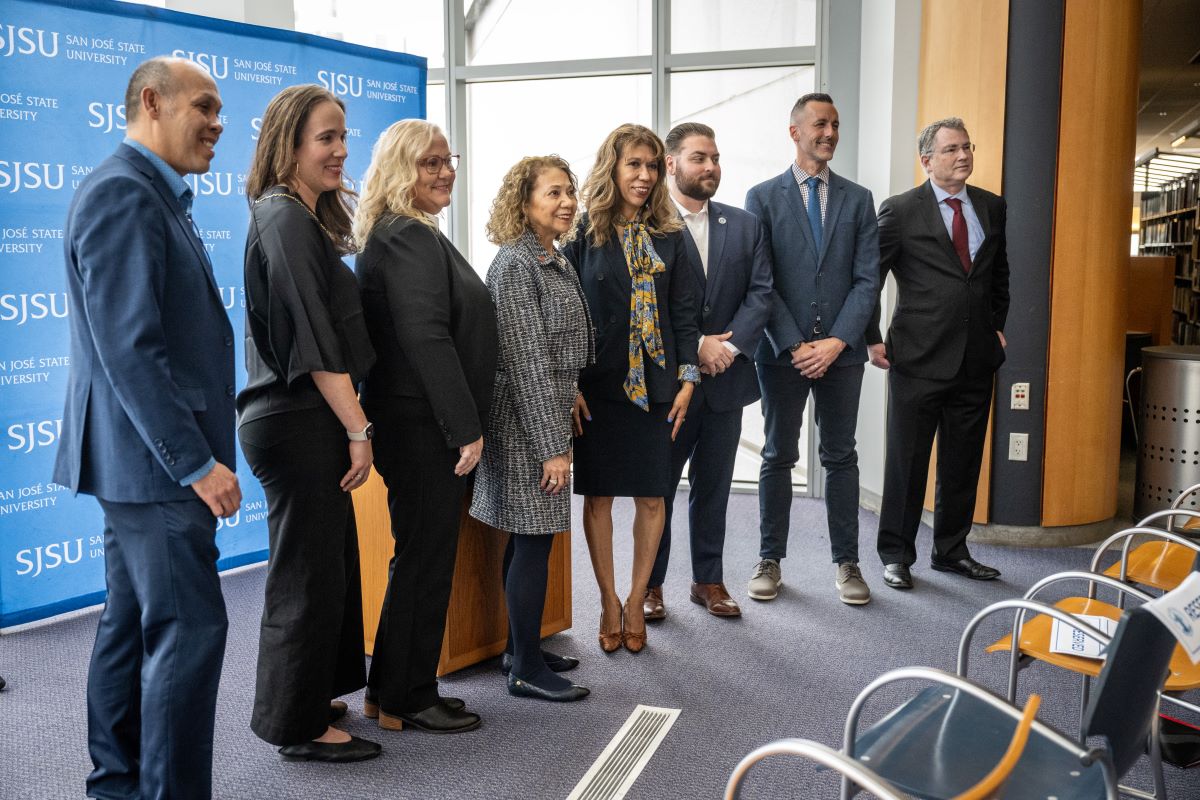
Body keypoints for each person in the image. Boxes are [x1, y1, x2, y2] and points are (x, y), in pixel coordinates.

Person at [53, 56, 241, 800]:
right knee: (188, 635)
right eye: (205, 107)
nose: (218, 124)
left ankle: (120, 786)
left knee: (133, 628)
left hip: (139, 465)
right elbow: (131, 352)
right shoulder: (123, 196)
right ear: (152, 103)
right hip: (158, 469)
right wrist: (194, 464)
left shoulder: (148, 194)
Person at [238, 84, 379, 762]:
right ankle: (296, 726)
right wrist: (359, 429)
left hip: (302, 418)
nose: (341, 150)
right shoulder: (284, 216)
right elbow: (316, 342)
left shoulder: (295, 215)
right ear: (290, 144)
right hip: (297, 420)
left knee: (325, 569)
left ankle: (309, 695)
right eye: (326, 138)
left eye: (343, 137)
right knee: (305, 575)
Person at [353, 119, 496, 732]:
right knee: (424, 559)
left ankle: (393, 688)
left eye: (448, 159)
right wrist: (464, 426)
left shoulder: (406, 233)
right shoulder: (406, 237)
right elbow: (426, 336)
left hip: (414, 421)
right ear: (398, 170)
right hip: (422, 426)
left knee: (419, 556)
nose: (445, 171)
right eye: (429, 162)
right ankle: (408, 695)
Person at [564, 124, 701, 654]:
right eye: (632, 165)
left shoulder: (671, 234)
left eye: (650, 166)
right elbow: (568, 316)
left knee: (652, 496)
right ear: (612, 169)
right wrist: (569, 383)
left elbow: (687, 314)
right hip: (597, 387)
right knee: (598, 496)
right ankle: (606, 600)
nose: (643, 176)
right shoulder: (583, 234)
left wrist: (688, 380)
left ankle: (639, 595)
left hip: (659, 389)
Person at [745, 92, 879, 606]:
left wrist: (837, 342)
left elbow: (868, 281)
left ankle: (848, 563)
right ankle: (769, 560)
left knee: (841, 456)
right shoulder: (762, 197)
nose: (830, 133)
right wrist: (798, 344)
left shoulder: (858, 198)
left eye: (836, 124)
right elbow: (763, 281)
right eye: (820, 124)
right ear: (795, 131)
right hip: (782, 353)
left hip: (842, 354)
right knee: (778, 454)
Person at [470, 155, 593, 702]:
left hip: (544, 409)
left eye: (569, 192)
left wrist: (573, 394)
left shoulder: (552, 257)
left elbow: (558, 348)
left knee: (528, 536)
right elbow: (526, 362)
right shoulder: (516, 266)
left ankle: (520, 649)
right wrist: (552, 450)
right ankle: (525, 671)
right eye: (553, 193)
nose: (567, 202)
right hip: (525, 423)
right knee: (535, 539)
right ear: (524, 203)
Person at [866, 117, 1008, 590]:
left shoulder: (991, 206)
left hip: (975, 358)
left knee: (963, 462)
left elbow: (998, 276)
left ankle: (951, 551)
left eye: (967, 146)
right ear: (927, 161)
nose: (962, 155)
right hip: (918, 357)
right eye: (951, 149)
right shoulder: (901, 210)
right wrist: (871, 336)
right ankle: (896, 555)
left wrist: (998, 326)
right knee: (907, 461)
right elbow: (872, 276)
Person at [644, 122, 772, 621]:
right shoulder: (648, 227)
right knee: (659, 488)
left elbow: (761, 293)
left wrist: (729, 348)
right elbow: (647, 305)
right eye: (699, 158)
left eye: (715, 158)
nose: (711, 167)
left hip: (728, 380)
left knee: (714, 487)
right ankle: (651, 585)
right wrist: (697, 346)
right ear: (672, 164)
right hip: (670, 384)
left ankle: (708, 580)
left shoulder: (743, 224)